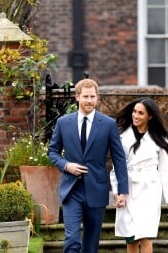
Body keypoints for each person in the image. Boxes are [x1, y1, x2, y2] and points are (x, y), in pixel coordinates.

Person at [48, 78, 129, 253]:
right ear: (77, 97)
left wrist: (122, 190)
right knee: (72, 238)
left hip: (96, 189)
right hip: (72, 189)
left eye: (93, 96)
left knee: (91, 242)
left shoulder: (108, 124)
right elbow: (52, 152)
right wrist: (66, 165)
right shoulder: (63, 123)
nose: (89, 100)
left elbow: (119, 158)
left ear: (97, 98)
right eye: (85, 96)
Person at [110, 97, 168, 253]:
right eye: (134, 111)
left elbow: (165, 170)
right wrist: (117, 193)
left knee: (145, 235)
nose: (135, 115)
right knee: (131, 236)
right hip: (128, 190)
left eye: (141, 113)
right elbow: (116, 168)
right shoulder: (121, 137)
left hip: (149, 191)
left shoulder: (159, 139)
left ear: (150, 116)